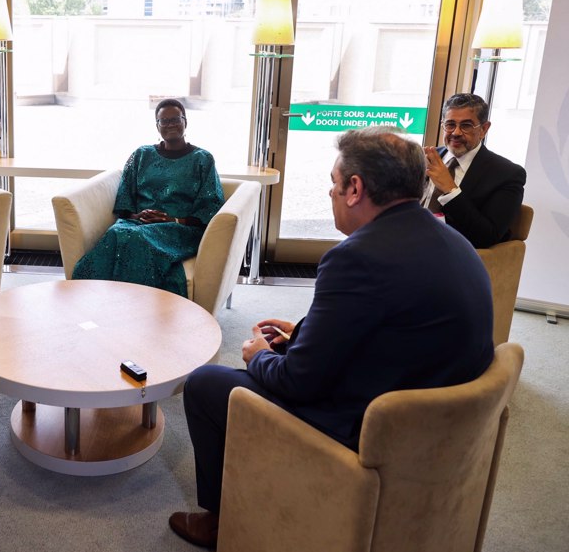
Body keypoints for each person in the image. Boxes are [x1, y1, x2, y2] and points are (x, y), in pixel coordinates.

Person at [169, 126, 495, 548]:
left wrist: (259, 355)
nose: (330, 193)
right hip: (434, 421)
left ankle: (222, 522)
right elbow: (385, 326)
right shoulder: (454, 241)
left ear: (355, 188)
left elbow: (299, 382)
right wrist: (302, 334)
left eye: (333, 183)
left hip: (370, 431)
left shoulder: (355, 257)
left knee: (206, 383)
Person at [71, 98, 224, 297]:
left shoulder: (203, 159)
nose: (170, 125)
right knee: (115, 234)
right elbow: (124, 199)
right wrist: (138, 216)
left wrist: (171, 219)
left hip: (180, 228)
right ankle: (90, 298)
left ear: (185, 121)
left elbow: (209, 207)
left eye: (175, 119)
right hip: (137, 223)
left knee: (135, 238)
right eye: (164, 121)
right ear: (157, 126)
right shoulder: (142, 155)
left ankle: (135, 304)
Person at [422, 92, 526, 248]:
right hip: (407, 240)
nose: (456, 133)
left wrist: (450, 190)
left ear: (484, 129)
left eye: (466, 125)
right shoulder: (427, 158)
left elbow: (487, 236)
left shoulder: (507, 174)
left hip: (451, 255)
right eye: (450, 124)